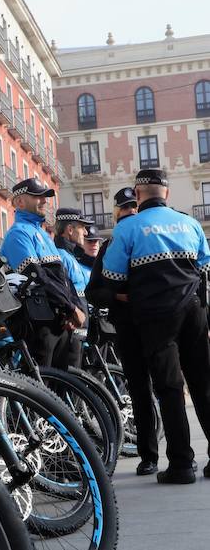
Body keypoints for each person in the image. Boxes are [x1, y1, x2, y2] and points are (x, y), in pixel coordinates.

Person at [102, 169, 210, 484]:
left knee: (170, 388)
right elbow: (203, 265)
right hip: (193, 311)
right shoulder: (189, 223)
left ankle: (181, 465)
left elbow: (114, 277)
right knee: (203, 385)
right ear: (167, 194)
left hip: (156, 315)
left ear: (137, 195)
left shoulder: (128, 228)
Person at [86, 187, 159, 475]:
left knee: (160, 389)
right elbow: (94, 292)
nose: (129, 213)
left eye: (132, 208)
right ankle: (150, 456)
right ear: (118, 212)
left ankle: (169, 454)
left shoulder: (146, 239)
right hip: (129, 327)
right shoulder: (109, 245)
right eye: (125, 209)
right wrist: (118, 297)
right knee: (142, 391)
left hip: (155, 322)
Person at [0, 179, 85, 369]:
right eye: (37, 196)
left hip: (57, 320)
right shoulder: (18, 234)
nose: (44, 201)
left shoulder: (44, 235)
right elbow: (37, 277)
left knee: (59, 387)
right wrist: (71, 309)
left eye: (45, 197)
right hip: (36, 321)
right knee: (40, 387)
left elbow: (63, 278)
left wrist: (71, 310)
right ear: (20, 202)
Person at [53, 207, 93, 367]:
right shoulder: (62, 256)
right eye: (82, 227)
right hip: (71, 329)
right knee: (70, 383)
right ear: (70, 229)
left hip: (80, 329)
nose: (86, 232)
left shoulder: (70, 257)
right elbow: (63, 290)